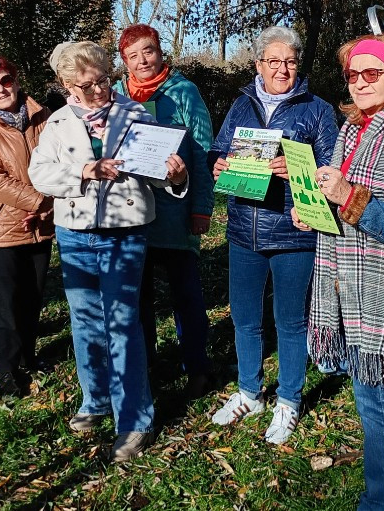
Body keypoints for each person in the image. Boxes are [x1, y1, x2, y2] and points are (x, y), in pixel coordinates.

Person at [29, 41, 189, 462]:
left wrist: (175, 175)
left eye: (103, 80)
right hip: (76, 234)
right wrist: (83, 171)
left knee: (122, 322)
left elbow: (156, 177)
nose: (98, 91)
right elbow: (39, 172)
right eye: (87, 85)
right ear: (67, 85)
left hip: (126, 231)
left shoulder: (135, 115)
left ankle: (134, 419)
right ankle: (95, 398)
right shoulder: (58, 123)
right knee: (84, 322)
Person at [306, 33, 384, 510]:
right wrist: (315, 211)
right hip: (348, 281)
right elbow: (338, 203)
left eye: (371, 73)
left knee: (382, 406)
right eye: (352, 74)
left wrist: (347, 197)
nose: (359, 83)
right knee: (381, 406)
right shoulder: (350, 130)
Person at [208, 26, 338, 445]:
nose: (282, 69)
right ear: (259, 65)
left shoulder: (316, 109)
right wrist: (217, 164)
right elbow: (218, 148)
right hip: (244, 229)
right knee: (244, 318)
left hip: (292, 232)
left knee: (290, 321)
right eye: (274, 61)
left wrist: (298, 170)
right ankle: (249, 392)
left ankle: (288, 400)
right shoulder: (242, 105)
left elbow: (333, 168)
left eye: (290, 61)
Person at [114, 24, 214, 396]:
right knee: (138, 296)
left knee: (185, 293)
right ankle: (148, 362)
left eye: (148, 51)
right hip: (131, 214)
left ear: (160, 51)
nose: (142, 61)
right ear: (123, 60)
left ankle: (197, 365)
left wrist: (201, 208)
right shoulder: (116, 97)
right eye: (133, 55)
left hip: (175, 211)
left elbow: (203, 153)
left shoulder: (184, 92)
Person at [0, 55, 54, 398]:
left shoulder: (45, 118)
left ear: (17, 80)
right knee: (5, 303)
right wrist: (40, 201)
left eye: (5, 81)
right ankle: (6, 369)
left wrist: (48, 206)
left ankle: (28, 357)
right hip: (4, 224)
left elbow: (60, 161)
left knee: (32, 296)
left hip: (43, 223)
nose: (1, 89)